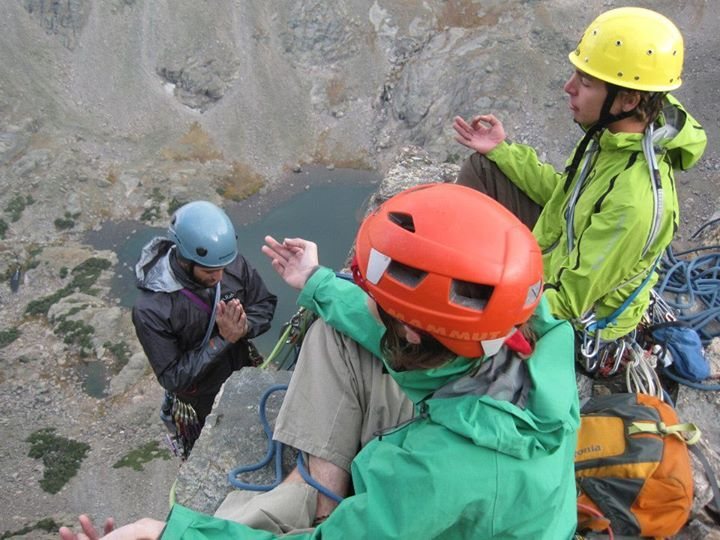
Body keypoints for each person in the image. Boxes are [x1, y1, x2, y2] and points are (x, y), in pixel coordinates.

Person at [60, 183, 580, 539]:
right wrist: (316, 281)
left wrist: (169, 532)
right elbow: (392, 336)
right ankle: (320, 489)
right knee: (338, 331)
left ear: (413, 332)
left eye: (376, 297)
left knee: (260, 517)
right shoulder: (528, 332)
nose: (367, 299)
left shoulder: (430, 473)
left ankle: (299, 504)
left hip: (433, 491)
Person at [453, 7, 707, 369]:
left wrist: (483, 308)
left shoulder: (635, 202)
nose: (569, 87)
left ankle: (462, 280)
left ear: (629, 100)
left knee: (458, 330)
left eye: (586, 83)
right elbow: (564, 197)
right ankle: (459, 265)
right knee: (485, 168)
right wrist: (502, 151)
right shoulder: (612, 137)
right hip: (553, 257)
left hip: (581, 321)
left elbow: (569, 300)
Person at [132, 200, 277, 457]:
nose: (219, 277)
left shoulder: (228, 263)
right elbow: (172, 376)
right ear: (185, 259)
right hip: (199, 401)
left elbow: (264, 304)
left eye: (222, 268)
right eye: (210, 271)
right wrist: (223, 339)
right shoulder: (152, 309)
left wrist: (243, 329)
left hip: (244, 373)